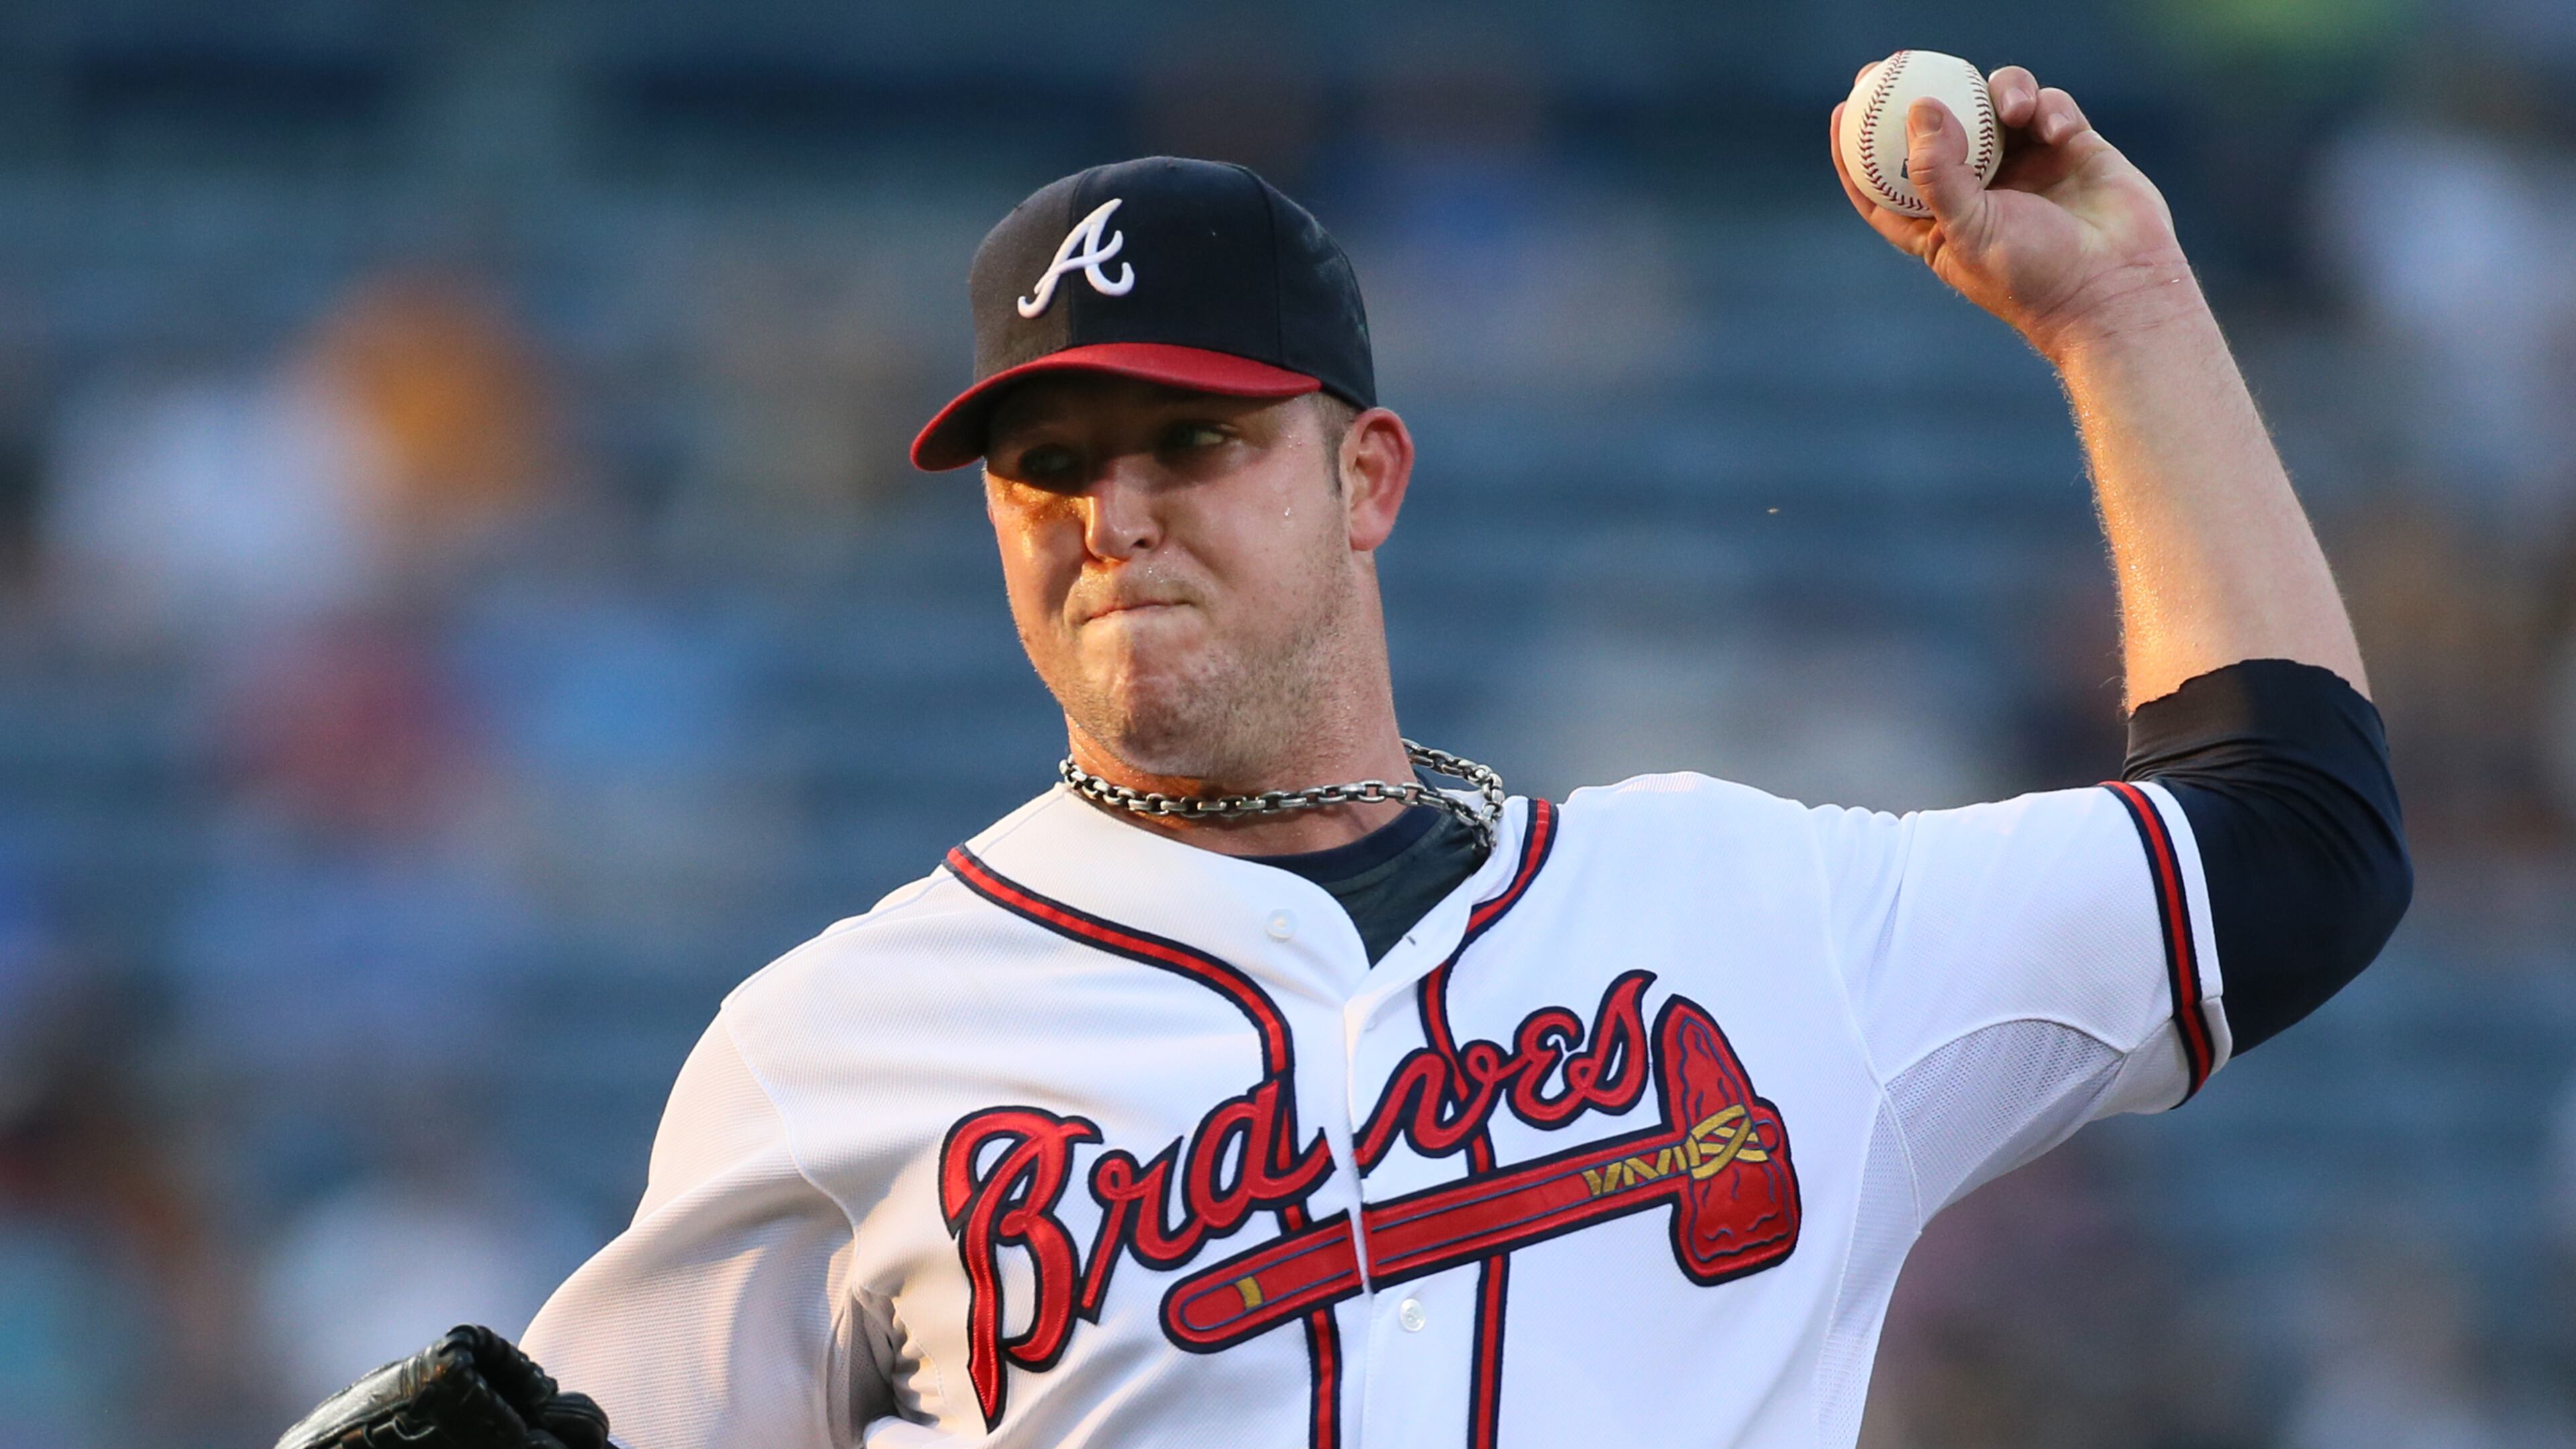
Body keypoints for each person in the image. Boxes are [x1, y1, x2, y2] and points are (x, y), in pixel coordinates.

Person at [313, 65, 2410, 1449]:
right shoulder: (832, 1050)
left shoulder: (1754, 914)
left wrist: (2122, 312)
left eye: (1193, 443)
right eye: (1047, 467)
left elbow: (2296, 842)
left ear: (1369, 478)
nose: (1113, 512)